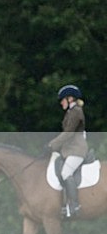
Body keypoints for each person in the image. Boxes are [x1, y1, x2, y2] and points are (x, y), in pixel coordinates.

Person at [47, 84, 87, 218]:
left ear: (70, 99)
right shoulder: (70, 112)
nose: (61, 103)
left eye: (62, 100)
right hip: (70, 150)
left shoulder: (76, 112)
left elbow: (69, 133)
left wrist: (52, 144)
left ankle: (74, 205)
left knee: (66, 173)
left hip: (77, 150)